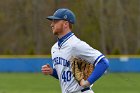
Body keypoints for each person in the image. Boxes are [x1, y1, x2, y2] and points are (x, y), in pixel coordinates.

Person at [41, 8, 109, 93]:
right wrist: (52, 71)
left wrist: (87, 82)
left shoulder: (75, 45)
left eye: (55, 21)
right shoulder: (54, 48)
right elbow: (64, 76)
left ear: (66, 24)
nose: (51, 25)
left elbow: (103, 62)